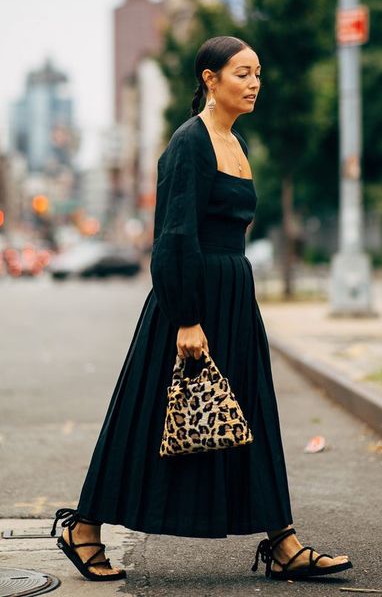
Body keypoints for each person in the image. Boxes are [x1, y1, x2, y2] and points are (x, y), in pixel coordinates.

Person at [50, 35, 353, 582]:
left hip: (235, 296)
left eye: (258, 72)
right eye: (242, 73)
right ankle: (83, 527)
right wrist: (186, 317)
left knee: (252, 411)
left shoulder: (237, 144)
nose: (255, 82)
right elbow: (173, 236)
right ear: (210, 80)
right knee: (147, 417)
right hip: (190, 301)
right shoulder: (189, 143)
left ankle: (283, 543)